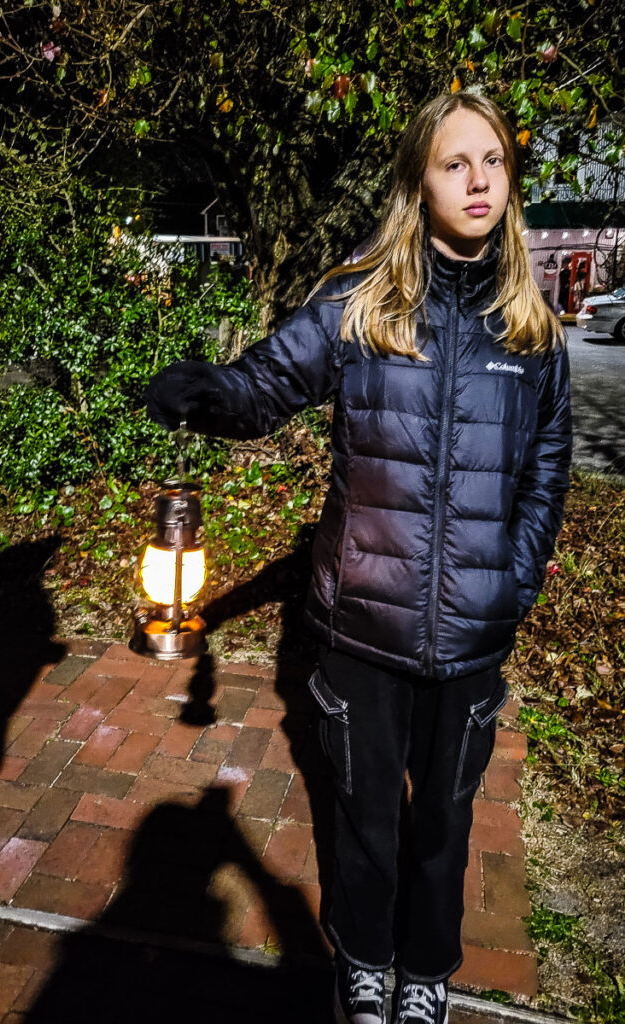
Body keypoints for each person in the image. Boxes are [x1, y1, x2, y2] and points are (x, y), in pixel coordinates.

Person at [145, 92, 572, 1024]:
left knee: (444, 824)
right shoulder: (359, 302)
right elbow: (266, 385)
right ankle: (366, 966)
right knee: (367, 819)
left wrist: (517, 573)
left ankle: (428, 973)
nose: (478, 181)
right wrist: (210, 395)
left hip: (472, 637)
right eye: (455, 163)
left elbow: (548, 468)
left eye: (492, 160)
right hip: (362, 629)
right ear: (419, 181)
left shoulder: (531, 331)